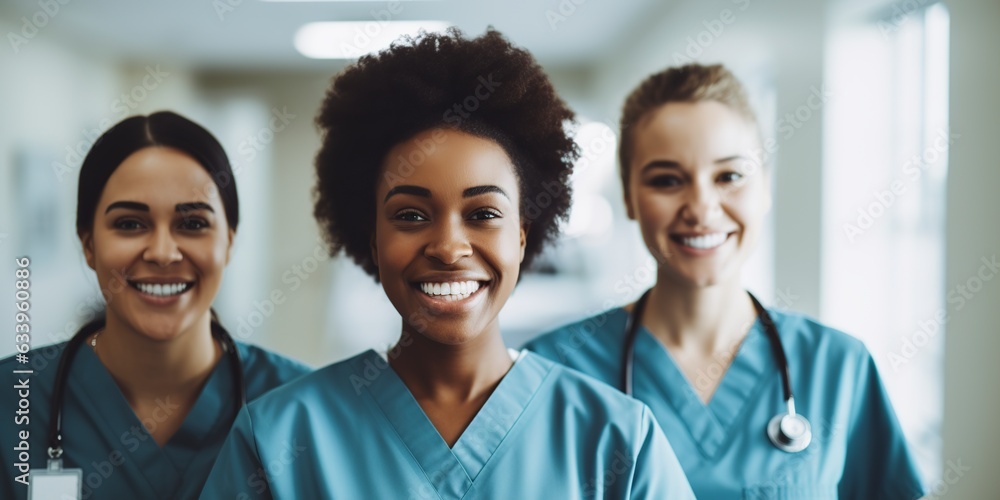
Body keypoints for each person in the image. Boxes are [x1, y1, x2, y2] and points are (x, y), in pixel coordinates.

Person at [199, 29, 694, 499]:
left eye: (483, 214)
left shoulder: (617, 440)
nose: (449, 247)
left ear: (522, 236)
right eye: (411, 215)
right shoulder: (279, 438)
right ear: (372, 239)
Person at [525, 64, 925, 499]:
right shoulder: (553, 370)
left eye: (729, 176)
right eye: (667, 180)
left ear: (766, 187)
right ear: (629, 197)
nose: (701, 207)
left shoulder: (839, 366)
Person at [0, 111, 310, 500]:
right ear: (89, 244)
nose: (163, 253)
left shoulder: (304, 407)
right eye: (130, 224)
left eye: (193, 224)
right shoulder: (12, 400)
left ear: (229, 241)